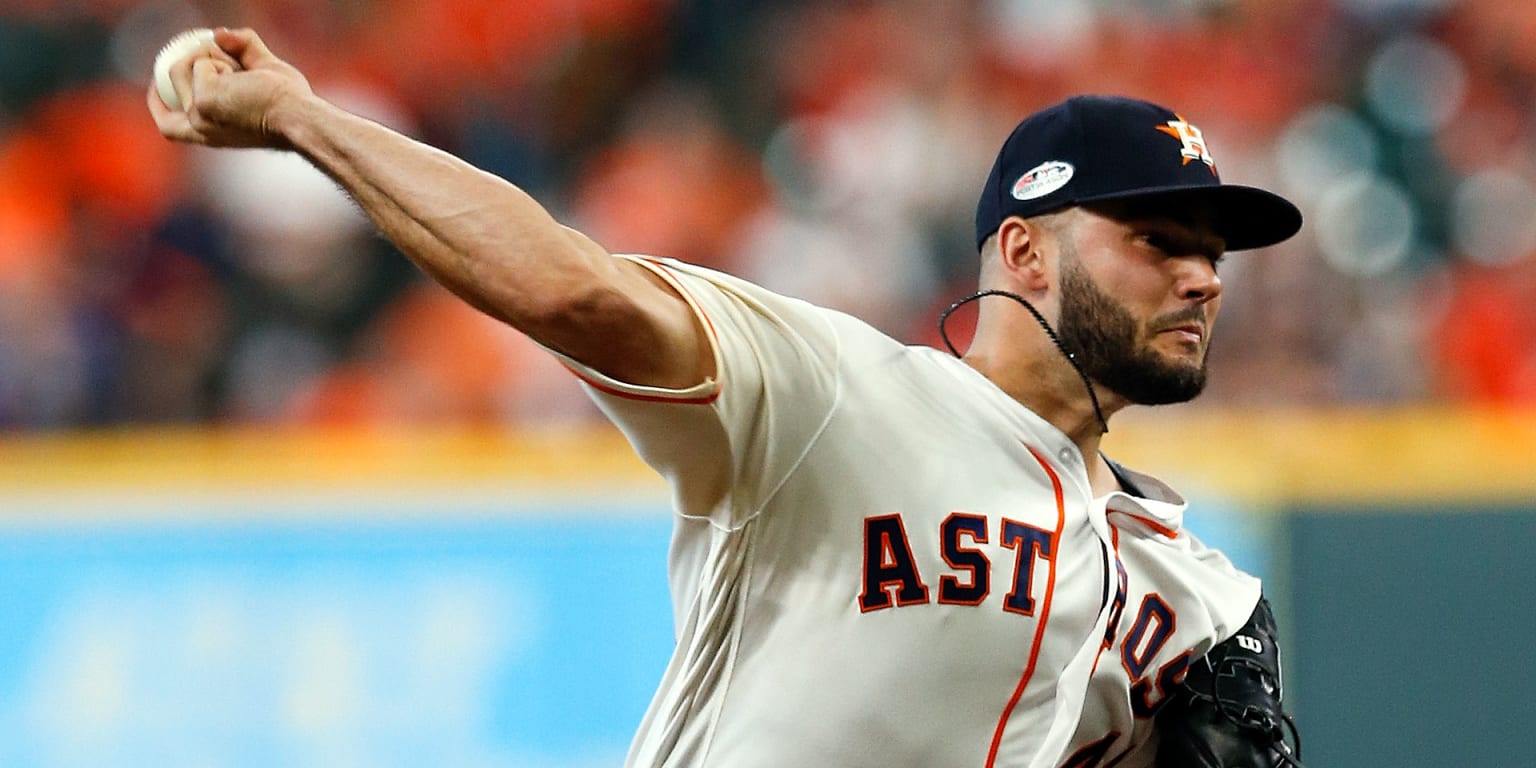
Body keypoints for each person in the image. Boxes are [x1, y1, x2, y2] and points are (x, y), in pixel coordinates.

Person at [150, 28, 1304, 768]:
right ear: (1026, 252)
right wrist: (304, 120)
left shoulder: (1190, 590)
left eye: (1213, 248)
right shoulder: (835, 393)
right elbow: (573, 290)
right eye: (1157, 237)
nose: (1202, 273)